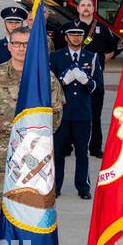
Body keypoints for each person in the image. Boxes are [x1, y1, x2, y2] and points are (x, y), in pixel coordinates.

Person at [0, 24, 65, 240]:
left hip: (33, 156)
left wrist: (33, 140)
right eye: (17, 44)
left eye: (26, 44)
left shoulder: (45, 78)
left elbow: (56, 112)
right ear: (9, 46)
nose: (21, 48)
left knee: (30, 204)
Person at [49, 20, 102, 199]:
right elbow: (50, 86)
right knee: (58, 153)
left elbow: (98, 88)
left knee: (82, 153)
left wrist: (86, 81)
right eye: (72, 34)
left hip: (82, 113)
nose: (76, 38)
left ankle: (83, 187)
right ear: (66, 37)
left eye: (79, 35)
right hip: (62, 114)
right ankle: (55, 186)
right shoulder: (55, 57)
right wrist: (63, 81)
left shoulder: (92, 57)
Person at [75, 0, 119, 156]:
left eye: (89, 5)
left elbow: (112, 50)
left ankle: (95, 147)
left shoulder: (102, 28)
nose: (86, 8)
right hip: (75, 79)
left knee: (96, 115)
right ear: (78, 9)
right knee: (72, 114)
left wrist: (98, 65)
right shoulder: (71, 27)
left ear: (93, 9)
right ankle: (68, 146)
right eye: (83, 5)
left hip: (95, 80)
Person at [0, 5, 27, 74]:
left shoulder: (29, 47)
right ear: (5, 23)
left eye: (17, 22)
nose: (13, 25)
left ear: (22, 24)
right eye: (10, 22)